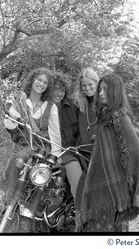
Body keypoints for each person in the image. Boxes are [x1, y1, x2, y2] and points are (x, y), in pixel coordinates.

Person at [75, 73, 139, 232]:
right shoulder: (107, 116)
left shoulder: (119, 116)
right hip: (104, 182)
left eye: (105, 90)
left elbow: (134, 150)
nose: (100, 93)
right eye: (100, 90)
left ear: (115, 91)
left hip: (115, 188)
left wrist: (129, 178)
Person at [1, 67, 62, 202]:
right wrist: (12, 116)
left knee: (21, 159)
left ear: (48, 86)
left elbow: (55, 134)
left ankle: (15, 200)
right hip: (22, 145)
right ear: (32, 80)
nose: (41, 84)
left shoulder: (51, 106)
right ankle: (10, 201)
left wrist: (56, 155)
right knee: (17, 160)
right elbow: (10, 126)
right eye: (39, 80)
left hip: (40, 148)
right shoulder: (20, 100)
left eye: (45, 82)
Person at [52, 71, 82, 199]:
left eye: (62, 90)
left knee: (78, 182)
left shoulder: (72, 106)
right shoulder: (43, 106)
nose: (59, 93)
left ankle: (80, 214)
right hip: (47, 150)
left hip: (67, 152)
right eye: (56, 89)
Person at [73, 67, 99, 157]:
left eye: (90, 84)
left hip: (98, 153)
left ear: (96, 83)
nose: (87, 88)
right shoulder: (79, 104)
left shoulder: (104, 104)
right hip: (81, 152)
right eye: (84, 85)